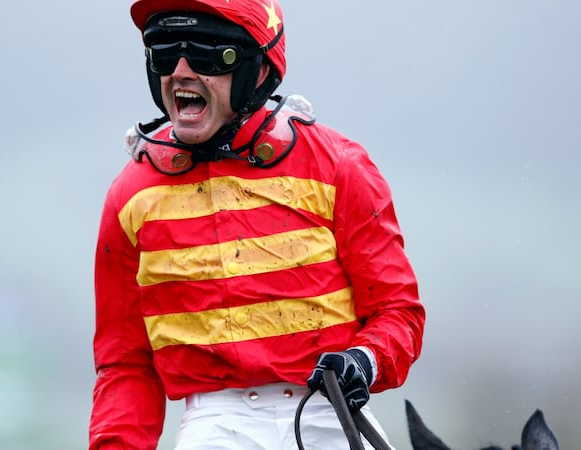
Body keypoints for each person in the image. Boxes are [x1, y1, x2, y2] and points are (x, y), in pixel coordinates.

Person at [89, 0, 425, 449]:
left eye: (208, 53)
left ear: (257, 68)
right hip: (215, 425)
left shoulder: (339, 166)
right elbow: (125, 363)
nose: (182, 72)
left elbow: (397, 312)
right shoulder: (130, 195)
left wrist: (364, 360)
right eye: (166, 53)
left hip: (332, 411)